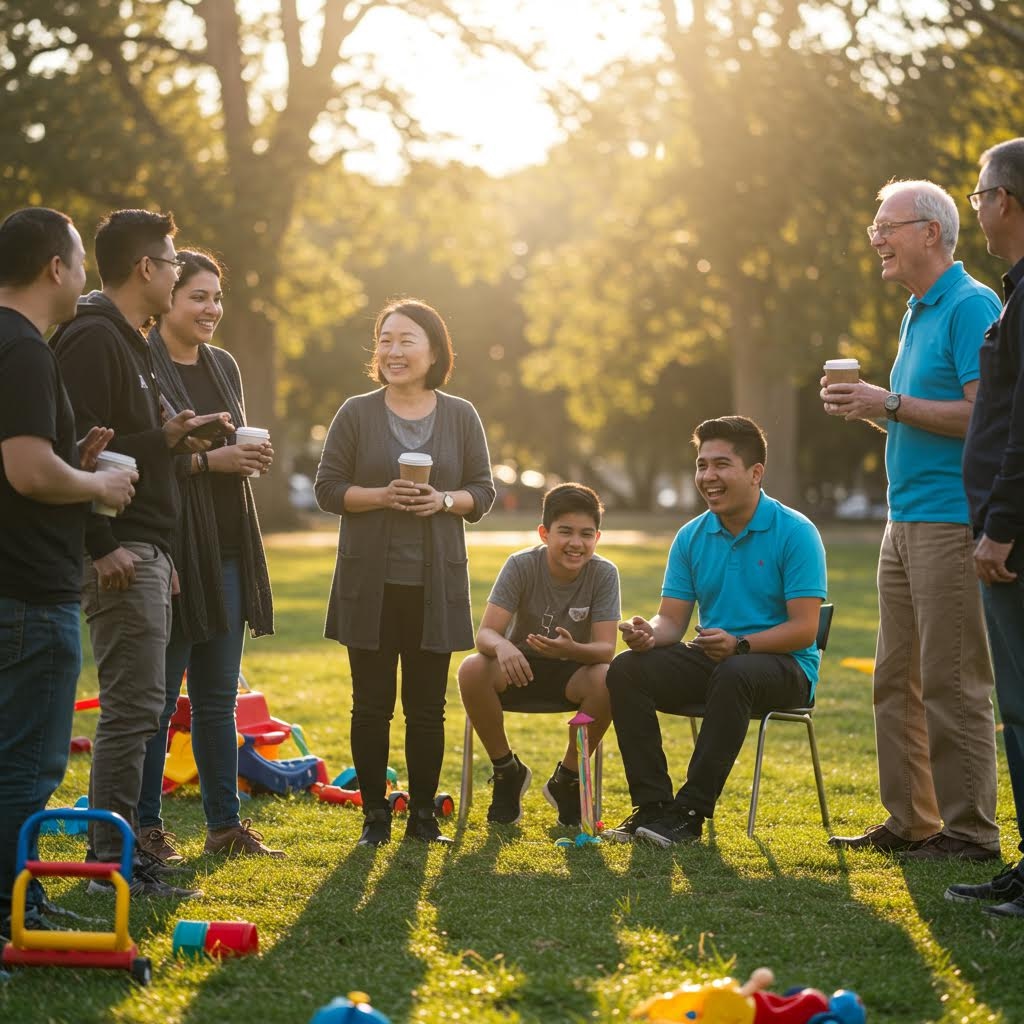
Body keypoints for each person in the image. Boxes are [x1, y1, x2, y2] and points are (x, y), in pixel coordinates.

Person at [52, 210, 230, 897]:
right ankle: (110, 867)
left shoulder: (130, 339)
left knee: (142, 705)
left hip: (145, 543)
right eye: (172, 257)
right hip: (118, 546)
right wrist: (103, 546)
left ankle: (119, 857)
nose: (181, 267)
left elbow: (126, 443)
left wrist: (172, 437)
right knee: (132, 709)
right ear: (145, 269)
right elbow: (82, 452)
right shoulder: (93, 339)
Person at [823, 180, 1002, 861]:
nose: (875, 237)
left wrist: (889, 401)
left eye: (885, 225)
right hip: (903, 524)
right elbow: (917, 417)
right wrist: (870, 407)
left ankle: (971, 834)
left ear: (930, 232)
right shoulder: (915, 312)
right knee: (894, 678)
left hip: (951, 523)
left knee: (951, 682)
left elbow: (983, 417)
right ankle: (912, 822)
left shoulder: (970, 304)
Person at [0, 207, 137, 934]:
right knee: (27, 765)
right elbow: (25, 472)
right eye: (80, 261)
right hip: (28, 591)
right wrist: (97, 486)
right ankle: (9, 910)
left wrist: (70, 460)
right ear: (56, 267)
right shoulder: (23, 350)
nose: (84, 276)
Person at [315, 298, 495, 847]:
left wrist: (444, 500)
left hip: (433, 587)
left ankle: (422, 817)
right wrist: (380, 496)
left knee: (426, 709)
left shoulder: (461, 415)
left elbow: (482, 492)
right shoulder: (356, 412)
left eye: (406, 339)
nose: (393, 350)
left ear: (434, 350)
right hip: (368, 583)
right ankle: (374, 815)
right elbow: (328, 489)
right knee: (370, 705)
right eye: (386, 340)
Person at [605, 416, 826, 845]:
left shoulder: (795, 532)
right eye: (702, 465)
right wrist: (647, 633)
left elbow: (804, 629)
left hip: (785, 669)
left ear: (755, 472)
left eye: (721, 465)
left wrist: (741, 644)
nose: (708, 477)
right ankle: (651, 808)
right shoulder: (691, 536)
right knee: (626, 669)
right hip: (718, 660)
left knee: (734, 672)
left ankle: (689, 813)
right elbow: (671, 621)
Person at [136, 249, 281, 863]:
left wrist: (247, 460)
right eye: (198, 296)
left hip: (226, 547)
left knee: (218, 698)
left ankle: (225, 826)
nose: (211, 309)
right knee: (159, 700)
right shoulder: (139, 362)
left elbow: (231, 447)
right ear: (167, 295)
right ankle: (144, 829)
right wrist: (206, 462)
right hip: (170, 551)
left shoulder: (223, 366)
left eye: (216, 298)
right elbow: (140, 460)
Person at [947, 139, 1024, 916]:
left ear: (1004, 200)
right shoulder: (1013, 292)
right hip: (1005, 531)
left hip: (1014, 540)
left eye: (977, 195)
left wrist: (999, 528)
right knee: (1017, 708)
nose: (976, 208)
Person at [458, 483, 620, 827]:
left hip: (573, 675)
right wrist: (503, 646)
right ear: (545, 533)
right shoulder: (521, 565)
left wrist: (571, 649)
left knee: (610, 677)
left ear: (597, 537)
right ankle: (506, 772)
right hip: (518, 669)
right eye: (565, 532)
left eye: (586, 534)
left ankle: (569, 779)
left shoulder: (604, 573)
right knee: (472, 669)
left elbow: (606, 649)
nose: (576, 543)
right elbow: (485, 634)